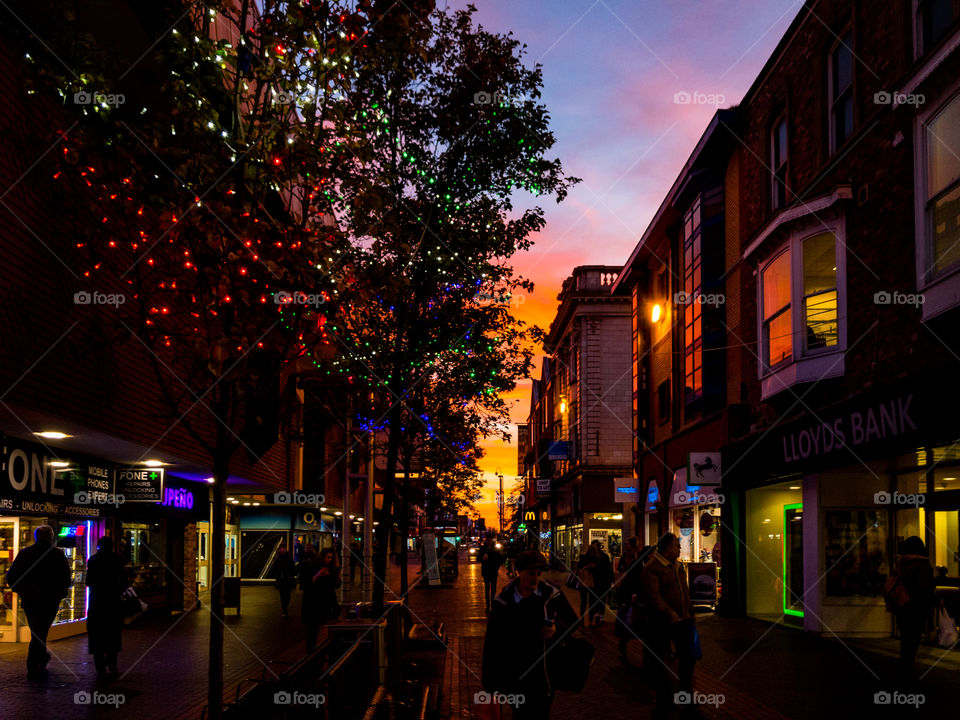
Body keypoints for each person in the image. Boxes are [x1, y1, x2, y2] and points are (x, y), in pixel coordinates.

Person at [482, 550, 579, 720]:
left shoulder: (551, 595)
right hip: (516, 677)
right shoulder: (504, 602)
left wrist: (557, 630)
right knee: (520, 714)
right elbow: (492, 643)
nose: (535, 578)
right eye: (531, 573)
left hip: (544, 676)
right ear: (519, 571)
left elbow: (572, 620)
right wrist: (490, 683)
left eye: (539, 573)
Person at [641, 533, 696, 719]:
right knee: (659, 658)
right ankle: (663, 697)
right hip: (661, 622)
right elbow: (653, 595)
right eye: (676, 546)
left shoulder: (678, 566)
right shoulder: (652, 568)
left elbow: (684, 591)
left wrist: (690, 611)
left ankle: (685, 693)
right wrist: (668, 612)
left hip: (683, 620)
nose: (679, 549)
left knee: (688, 656)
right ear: (666, 549)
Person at [6, 525, 72, 679]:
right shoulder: (57, 555)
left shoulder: (25, 553)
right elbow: (65, 579)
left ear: (36, 537)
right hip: (49, 600)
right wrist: (59, 594)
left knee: (37, 630)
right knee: (40, 631)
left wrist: (21, 591)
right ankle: (35, 664)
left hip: (30, 600)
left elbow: (11, 576)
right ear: (50, 537)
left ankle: (39, 661)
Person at [890, 536, 935, 683]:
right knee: (913, 641)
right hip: (916, 609)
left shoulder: (901, 563)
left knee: (905, 640)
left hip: (902, 607)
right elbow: (925, 589)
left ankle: (905, 668)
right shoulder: (922, 566)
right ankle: (907, 671)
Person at [85, 536, 128, 675]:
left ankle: (100, 666)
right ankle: (112, 663)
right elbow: (124, 582)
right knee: (113, 633)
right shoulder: (117, 560)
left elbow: (88, 581)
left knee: (97, 634)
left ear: (99, 546)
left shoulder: (93, 560)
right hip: (113, 603)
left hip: (97, 602)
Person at [303, 547, 341, 653]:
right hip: (315, 605)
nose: (329, 560)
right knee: (313, 631)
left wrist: (334, 576)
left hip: (328, 605)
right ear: (322, 557)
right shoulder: (314, 567)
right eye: (328, 557)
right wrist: (319, 574)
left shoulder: (332, 570)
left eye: (331, 558)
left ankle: (330, 652)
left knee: (331, 630)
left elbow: (336, 585)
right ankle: (310, 654)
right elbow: (307, 584)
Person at [589, 540, 614, 625]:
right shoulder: (590, 557)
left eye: (596, 546)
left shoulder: (604, 556)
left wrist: (611, 581)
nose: (595, 548)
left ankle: (601, 615)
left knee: (602, 599)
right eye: (593, 546)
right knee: (593, 600)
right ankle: (594, 616)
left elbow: (609, 569)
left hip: (603, 581)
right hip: (594, 582)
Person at [271, 542, 297, 618]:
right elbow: (275, 568)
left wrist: (292, 576)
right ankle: (284, 609)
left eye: (284, 548)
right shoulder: (277, 558)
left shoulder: (288, 557)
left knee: (288, 596)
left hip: (288, 579)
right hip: (281, 580)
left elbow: (292, 568)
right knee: (282, 596)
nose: (283, 549)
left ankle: (285, 607)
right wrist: (278, 576)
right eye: (282, 548)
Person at [479, 538, 504, 612]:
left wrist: (497, 566)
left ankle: (492, 604)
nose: (489, 542)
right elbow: (478, 558)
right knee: (487, 589)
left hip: (493, 571)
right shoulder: (483, 548)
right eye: (488, 540)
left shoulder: (495, 549)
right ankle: (488, 606)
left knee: (493, 589)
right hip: (486, 571)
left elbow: (501, 558)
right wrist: (482, 558)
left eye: (490, 540)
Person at [576, 544, 597, 626]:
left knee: (584, 602)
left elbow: (578, 569)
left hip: (584, 583)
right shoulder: (594, 559)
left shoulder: (584, 558)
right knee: (590, 602)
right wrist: (589, 566)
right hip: (590, 583)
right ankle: (590, 620)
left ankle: (582, 619)